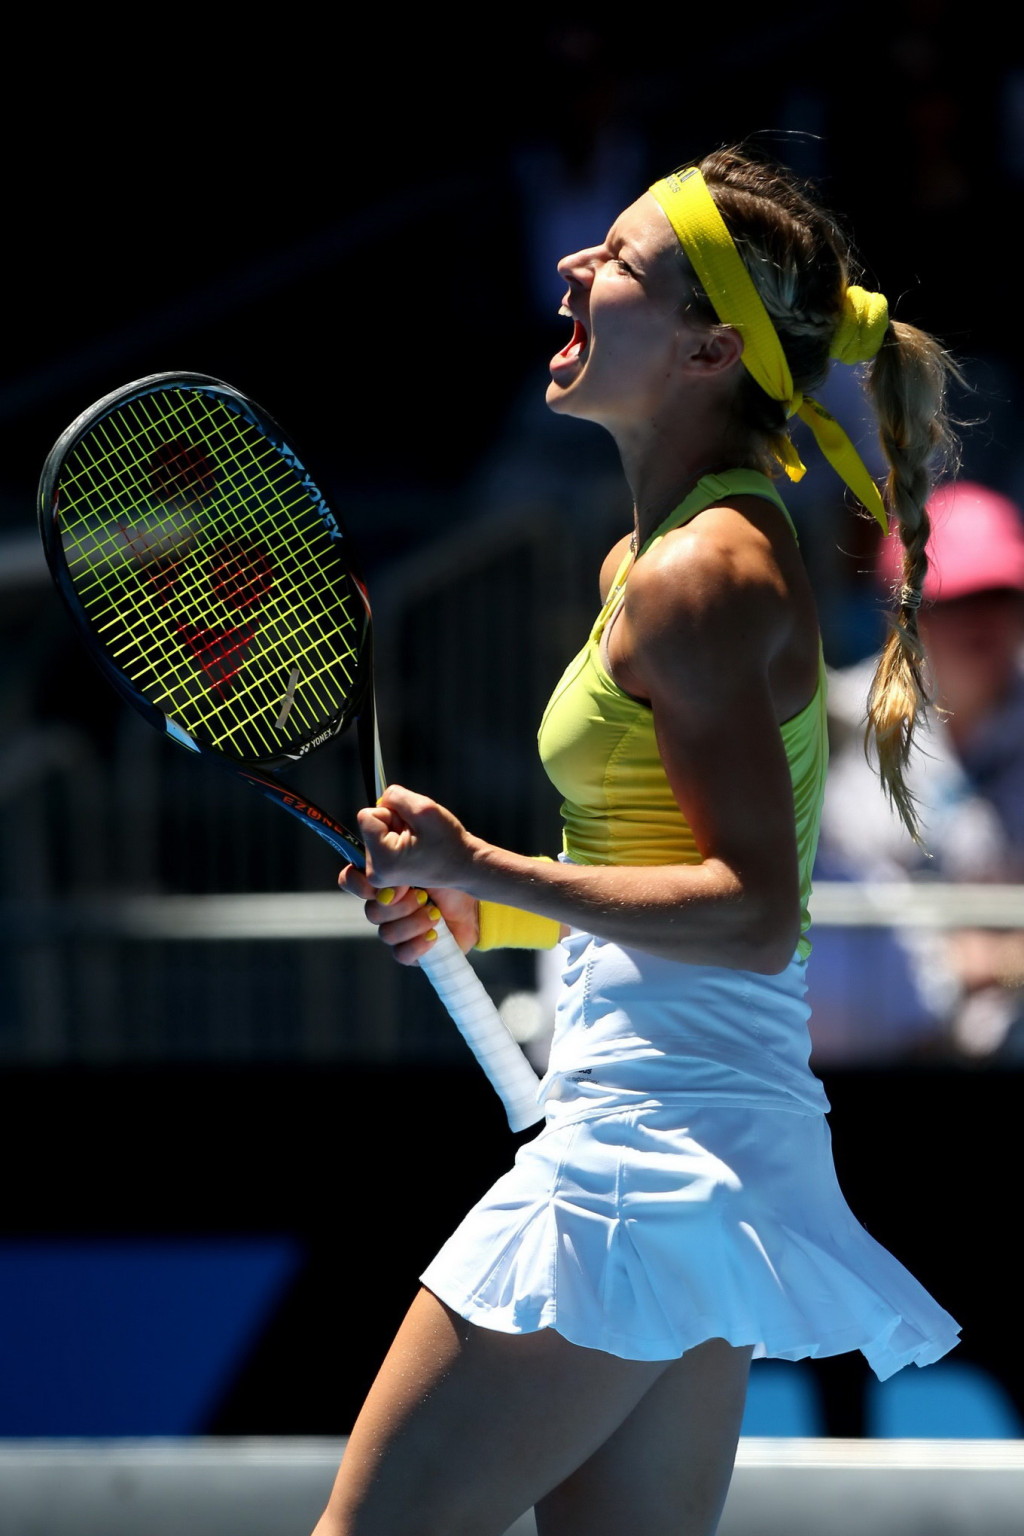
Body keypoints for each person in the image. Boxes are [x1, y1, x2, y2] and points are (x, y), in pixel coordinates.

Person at [310, 145, 962, 1536]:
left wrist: (481, 868)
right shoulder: (656, 560)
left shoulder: (697, 576)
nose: (571, 268)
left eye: (616, 263)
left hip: (643, 1155)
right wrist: (500, 913)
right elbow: (676, 861)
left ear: (709, 346)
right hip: (698, 1145)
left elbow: (750, 914)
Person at [807, 479, 1024, 1065]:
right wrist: (948, 962)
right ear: (905, 616)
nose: (982, 624)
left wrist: (1001, 967)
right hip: (871, 1037)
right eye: (953, 600)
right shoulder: (837, 726)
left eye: (1000, 596)